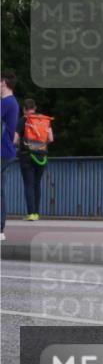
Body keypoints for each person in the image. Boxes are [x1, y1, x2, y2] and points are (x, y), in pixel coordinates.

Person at [17, 99, 55, 220]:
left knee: (28, 184)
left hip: (27, 155)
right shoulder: (44, 120)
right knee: (37, 184)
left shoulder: (23, 120)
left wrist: (18, 145)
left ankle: (31, 213)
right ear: (35, 108)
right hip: (41, 155)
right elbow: (51, 139)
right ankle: (37, 213)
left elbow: (15, 139)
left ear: (24, 109)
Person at [1, 71, 20, 241]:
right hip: (7, 151)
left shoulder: (5, 102)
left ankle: (0, 229)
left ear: (3, 83)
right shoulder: (13, 102)